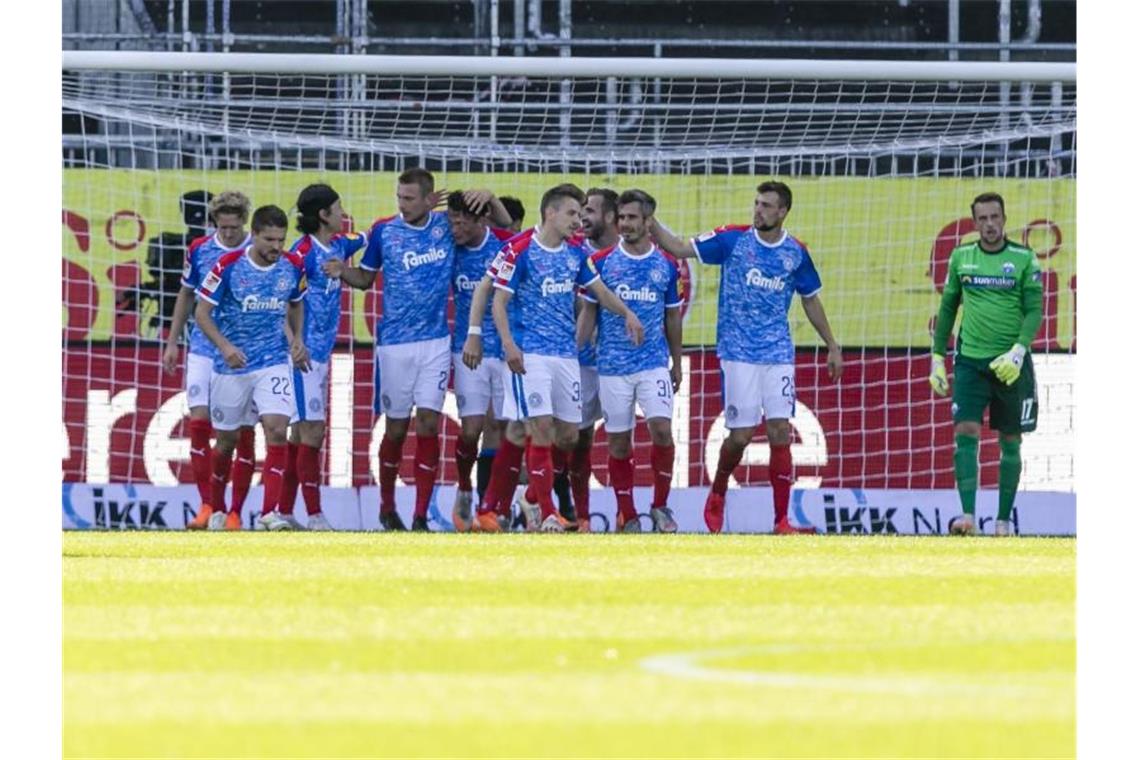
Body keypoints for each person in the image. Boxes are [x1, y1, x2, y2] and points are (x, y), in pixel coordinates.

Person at [651, 180, 842, 534]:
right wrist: (650, 220)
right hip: (738, 353)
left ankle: (782, 520)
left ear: (783, 211)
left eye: (767, 205)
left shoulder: (795, 252)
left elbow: (810, 298)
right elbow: (677, 247)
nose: (758, 210)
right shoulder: (732, 240)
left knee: (780, 430)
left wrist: (831, 344)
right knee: (739, 436)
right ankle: (719, 489)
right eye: (756, 203)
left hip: (778, 353)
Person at [338, 168, 511, 531]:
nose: (402, 204)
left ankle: (420, 516)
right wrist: (341, 271)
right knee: (397, 429)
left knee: (430, 425)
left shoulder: (447, 228)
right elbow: (366, 279)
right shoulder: (385, 231)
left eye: (410, 198)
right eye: (400, 197)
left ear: (430, 199)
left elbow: (500, 229)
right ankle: (387, 506)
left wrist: (488, 195)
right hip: (394, 345)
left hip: (436, 342)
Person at [486, 183, 645, 533]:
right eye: (573, 213)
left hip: (567, 357)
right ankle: (546, 513)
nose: (579, 221)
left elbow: (600, 292)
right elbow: (498, 301)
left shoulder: (575, 255)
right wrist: (510, 345)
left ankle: (530, 496)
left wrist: (628, 313)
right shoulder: (523, 250)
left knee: (569, 437)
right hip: (531, 355)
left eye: (581, 213)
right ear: (550, 213)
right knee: (540, 429)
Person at [929, 192, 1042, 537]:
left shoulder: (1024, 258)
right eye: (983, 219)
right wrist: (937, 356)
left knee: (1011, 439)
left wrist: (1019, 350)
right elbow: (948, 308)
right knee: (965, 431)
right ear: (975, 222)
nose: (990, 224)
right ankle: (967, 516)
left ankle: (1003, 521)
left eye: (995, 217)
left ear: (1004, 219)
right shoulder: (962, 257)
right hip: (970, 362)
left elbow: (1035, 310)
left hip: (1011, 364)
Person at [194, 205, 310, 532]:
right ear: (254, 236)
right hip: (231, 367)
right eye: (270, 239)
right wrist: (225, 347)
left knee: (276, 429)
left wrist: (297, 338)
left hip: (273, 361)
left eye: (281, 240)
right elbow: (202, 313)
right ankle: (217, 506)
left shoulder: (292, 266)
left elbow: (297, 303)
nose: (276, 246)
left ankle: (268, 514)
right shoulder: (228, 266)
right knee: (227, 441)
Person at [578, 190, 683, 533]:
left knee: (662, 431)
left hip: (653, 363)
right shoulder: (602, 262)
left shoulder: (666, 264)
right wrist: (574, 352)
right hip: (611, 367)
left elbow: (672, 318)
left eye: (632, 218)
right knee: (619, 441)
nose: (625, 224)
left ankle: (660, 506)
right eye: (621, 218)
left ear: (648, 222)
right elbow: (588, 313)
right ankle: (627, 513)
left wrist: (677, 363)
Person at [161, 191, 258, 531]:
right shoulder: (200, 249)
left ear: (244, 222)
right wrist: (172, 342)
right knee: (199, 422)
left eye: (235, 227)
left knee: (242, 432)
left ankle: (234, 512)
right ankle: (207, 505)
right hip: (203, 346)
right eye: (223, 226)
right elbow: (186, 293)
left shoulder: (256, 250)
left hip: (245, 351)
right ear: (214, 221)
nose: (229, 233)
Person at [274, 184, 367, 531]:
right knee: (312, 431)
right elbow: (281, 301)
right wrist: (294, 342)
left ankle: (283, 512)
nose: (344, 213)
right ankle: (314, 516)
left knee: (302, 436)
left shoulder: (342, 245)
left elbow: (372, 237)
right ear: (324, 215)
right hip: (300, 357)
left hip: (323, 355)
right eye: (338, 208)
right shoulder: (300, 255)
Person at [445, 191, 515, 531]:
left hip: (503, 349)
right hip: (466, 348)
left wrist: (490, 197)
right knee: (471, 429)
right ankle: (464, 486)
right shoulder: (448, 248)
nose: (455, 227)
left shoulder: (503, 244)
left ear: (480, 220)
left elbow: (513, 227)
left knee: (502, 428)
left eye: (462, 221)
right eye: (452, 220)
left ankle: (490, 507)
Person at [555, 187, 622, 528]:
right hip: (579, 360)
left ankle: (626, 511)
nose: (583, 218)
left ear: (610, 217)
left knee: (612, 438)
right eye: (581, 211)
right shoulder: (574, 251)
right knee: (575, 438)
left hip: (618, 364)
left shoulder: (630, 254)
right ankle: (575, 513)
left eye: (591, 211)